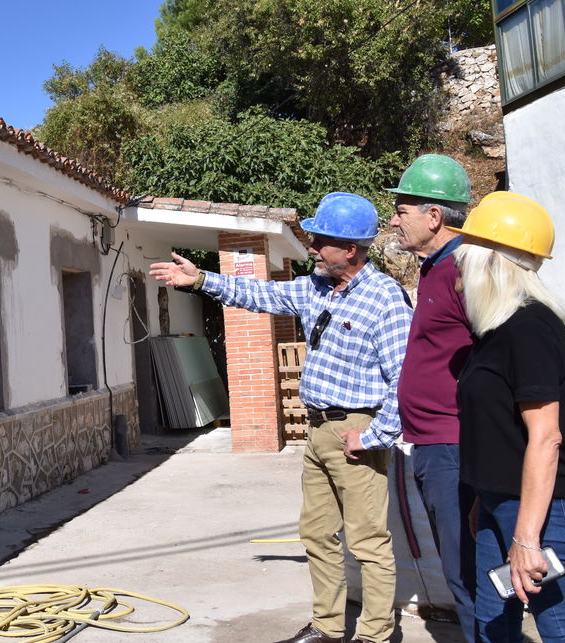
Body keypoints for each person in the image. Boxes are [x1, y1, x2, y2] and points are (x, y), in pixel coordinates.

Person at [150, 191, 412, 643]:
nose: (311, 248)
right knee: (316, 534)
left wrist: (373, 437)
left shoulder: (384, 299)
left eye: (320, 241)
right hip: (318, 431)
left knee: (368, 541)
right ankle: (329, 628)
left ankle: (375, 634)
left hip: (358, 431)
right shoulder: (316, 289)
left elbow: (404, 381)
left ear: (350, 249)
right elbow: (260, 292)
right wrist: (201, 281)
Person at [342, 153, 478, 640]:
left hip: (453, 443)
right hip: (433, 441)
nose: (394, 220)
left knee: (468, 570)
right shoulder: (434, 269)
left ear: (434, 216)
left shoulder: (467, 269)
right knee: (460, 562)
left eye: (401, 210)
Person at [450, 191, 565, 642]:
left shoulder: (529, 328)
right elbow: (498, 431)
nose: (457, 278)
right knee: (493, 622)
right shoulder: (495, 330)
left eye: (463, 264)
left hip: (541, 511)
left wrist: (527, 538)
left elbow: (546, 437)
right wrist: (483, 499)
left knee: (561, 629)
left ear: (489, 263)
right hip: (500, 503)